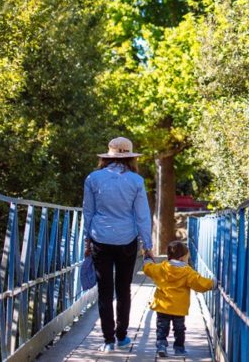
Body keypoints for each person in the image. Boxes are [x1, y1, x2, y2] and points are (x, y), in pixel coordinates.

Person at [83, 137, 153, 352]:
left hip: (100, 238)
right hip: (127, 239)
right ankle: (121, 336)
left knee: (104, 291)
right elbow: (142, 216)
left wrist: (87, 240)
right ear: (131, 157)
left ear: (108, 156)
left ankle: (108, 341)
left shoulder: (93, 178)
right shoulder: (136, 181)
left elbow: (88, 211)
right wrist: (147, 245)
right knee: (123, 289)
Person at [144, 239, 216, 358]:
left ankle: (161, 346)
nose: (188, 261)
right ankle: (179, 349)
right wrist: (212, 284)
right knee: (179, 329)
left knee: (162, 327)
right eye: (187, 258)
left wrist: (147, 260)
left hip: (163, 306)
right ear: (182, 258)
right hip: (179, 307)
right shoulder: (187, 272)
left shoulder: (162, 268)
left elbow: (149, 269)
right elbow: (199, 283)